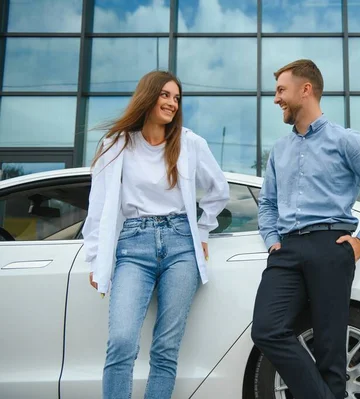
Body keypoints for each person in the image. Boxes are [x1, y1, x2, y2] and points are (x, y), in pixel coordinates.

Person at [251, 59, 360, 399]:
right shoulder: (279, 149)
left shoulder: (345, 141)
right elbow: (268, 204)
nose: (276, 99)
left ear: (305, 90)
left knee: (330, 350)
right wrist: (272, 241)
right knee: (266, 329)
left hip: (331, 246)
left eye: (281, 90)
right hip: (286, 250)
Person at [82, 70, 229, 399]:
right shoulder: (116, 144)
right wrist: (95, 259)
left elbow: (219, 191)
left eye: (176, 98)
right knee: (121, 340)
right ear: (147, 97)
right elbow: (99, 206)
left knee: (166, 347)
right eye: (165, 95)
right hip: (133, 246)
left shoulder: (189, 143)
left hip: (181, 246)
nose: (172, 103)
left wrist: (202, 230)